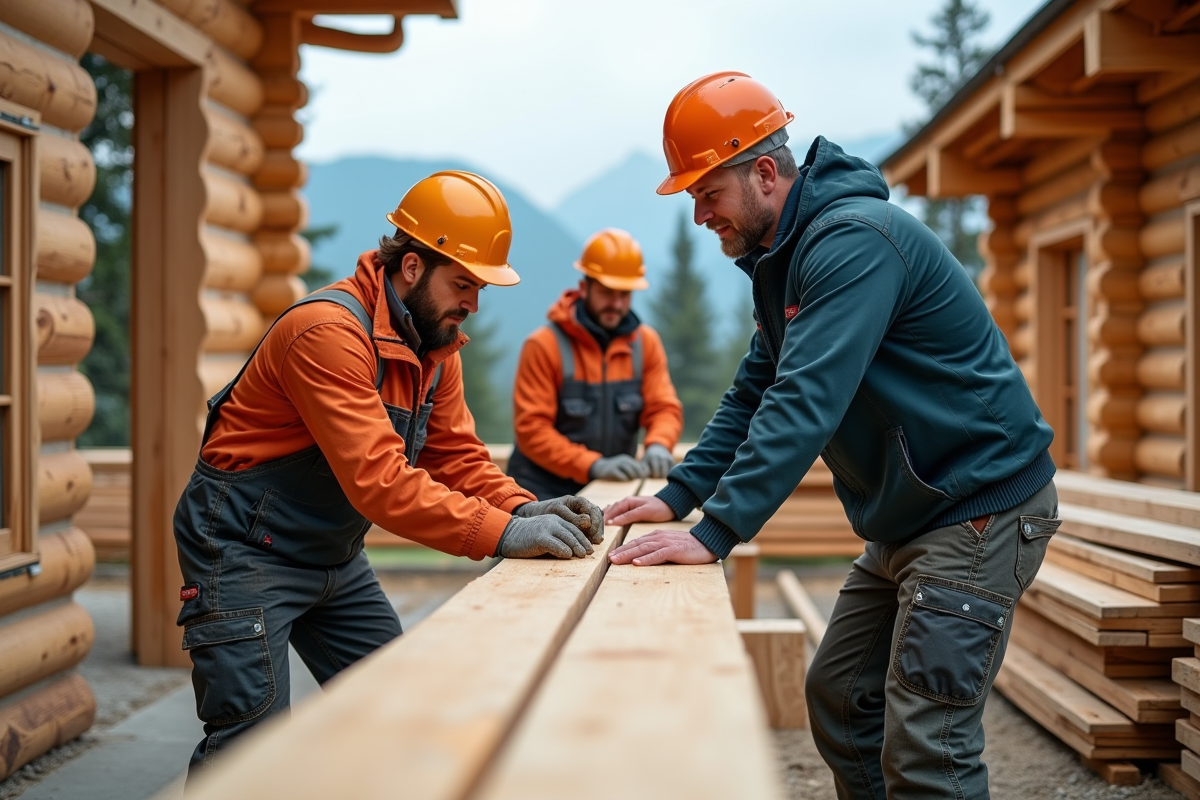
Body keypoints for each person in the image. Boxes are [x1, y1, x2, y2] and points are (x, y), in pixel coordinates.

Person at [605, 72, 1057, 800]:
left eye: (707, 193)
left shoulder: (853, 244)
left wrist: (716, 530)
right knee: (843, 698)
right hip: (914, 515)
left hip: (975, 512)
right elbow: (756, 391)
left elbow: (804, 398)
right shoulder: (788, 259)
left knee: (926, 749)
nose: (699, 216)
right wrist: (680, 494)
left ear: (762, 173)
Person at [173, 170, 604, 776]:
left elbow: (455, 456)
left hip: (331, 554)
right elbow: (380, 482)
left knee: (397, 710)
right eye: (463, 284)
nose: (473, 304)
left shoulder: (436, 344)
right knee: (250, 751)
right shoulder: (326, 334)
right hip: (244, 552)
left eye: (481, 288)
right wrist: (503, 535)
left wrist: (522, 508)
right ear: (411, 269)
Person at [507, 228, 683, 500]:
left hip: (611, 490)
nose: (616, 303)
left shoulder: (646, 343)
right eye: (607, 292)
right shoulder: (544, 345)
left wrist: (659, 444)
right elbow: (533, 431)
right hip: (542, 493)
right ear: (584, 287)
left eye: (624, 294)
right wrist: (592, 465)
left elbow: (664, 408)